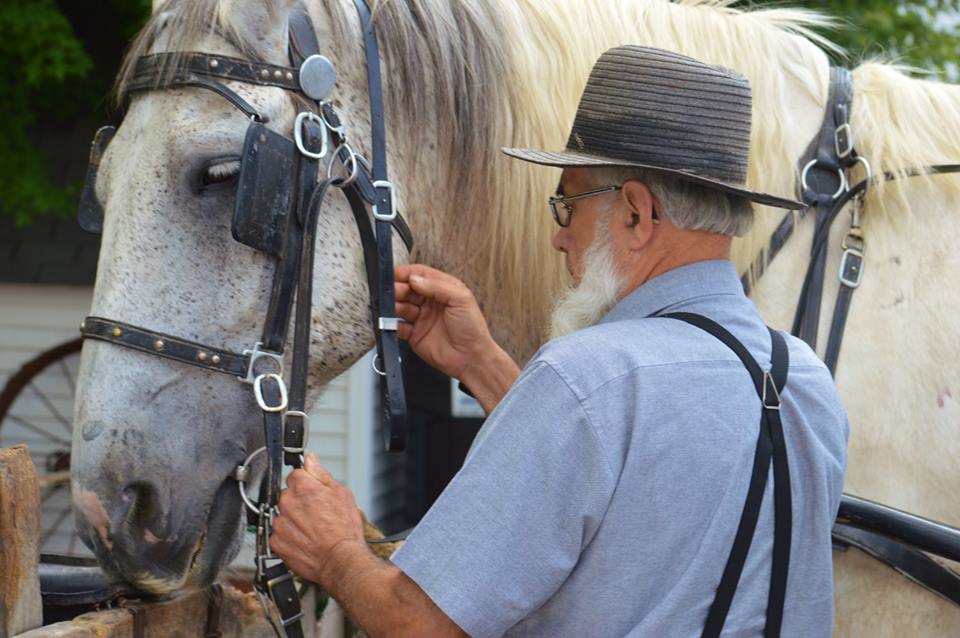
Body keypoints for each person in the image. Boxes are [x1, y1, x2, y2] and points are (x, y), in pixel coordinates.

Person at [270, 46, 849, 637]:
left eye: (567, 204)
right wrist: (483, 364)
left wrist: (335, 551)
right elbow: (629, 499)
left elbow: (420, 626)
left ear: (636, 214)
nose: (558, 236)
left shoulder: (586, 377)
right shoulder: (804, 379)